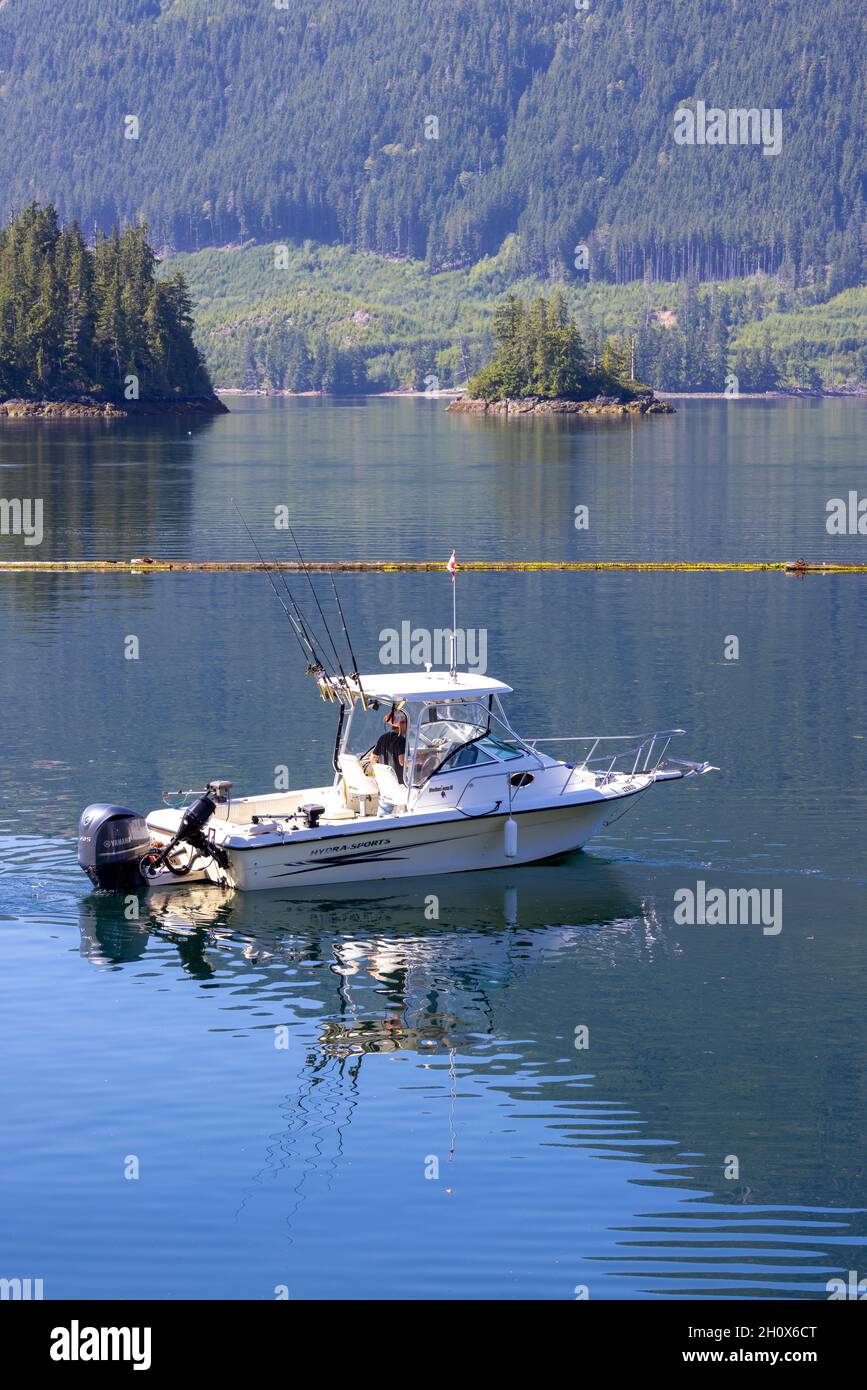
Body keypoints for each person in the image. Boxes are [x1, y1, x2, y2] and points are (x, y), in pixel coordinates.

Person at [370, 707, 407, 784]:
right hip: (400, 785)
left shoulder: (383, 738)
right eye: (406, 722)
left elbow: (373, 759)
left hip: (386, 785)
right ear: (401, 724)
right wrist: (419, 760)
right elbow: (403, 761)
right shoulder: (402, 740)